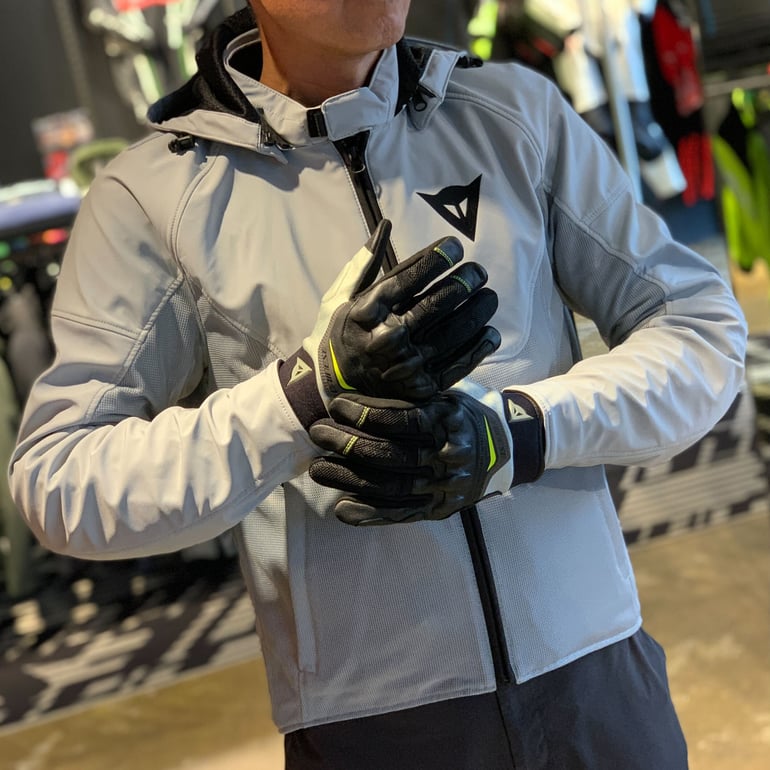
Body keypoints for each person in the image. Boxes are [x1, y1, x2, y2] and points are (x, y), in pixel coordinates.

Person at [9, 2, 746, 768]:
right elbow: (61, 481)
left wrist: (520, 432)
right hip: (375, 727)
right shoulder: (153, 196)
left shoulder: (514, 113)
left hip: (598, 679)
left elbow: (700, 329)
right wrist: (301, 396)